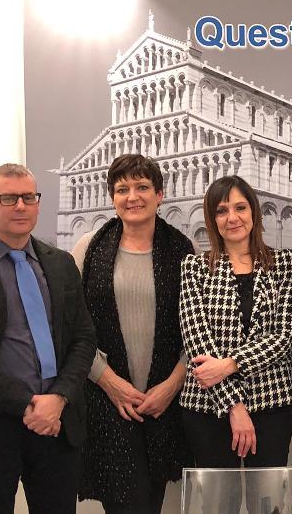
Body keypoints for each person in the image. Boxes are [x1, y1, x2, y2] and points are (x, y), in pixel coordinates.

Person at [0, 163, 96, 514]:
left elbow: (83, 338)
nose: (20, 206)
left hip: (57, 423)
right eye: (8, 198)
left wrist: (59, 397)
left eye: (28, 197)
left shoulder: (60, 263)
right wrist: (27, 403)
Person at [72, 155, 193, 513]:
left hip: (163, 403)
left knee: (151, 502)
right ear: (112, 197)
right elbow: (70, 325)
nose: (133, 197)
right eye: (122, 189)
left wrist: (171, 386)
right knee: (125, 503)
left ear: (159, 194)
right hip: (106, 400)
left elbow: (198, 329)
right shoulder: (89, 247)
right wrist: (109, 381)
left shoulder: (183, 250)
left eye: (142, 187)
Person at [178, 175, 292, 472]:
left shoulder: (282, 263)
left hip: (271, 400)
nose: (232, 218)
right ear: (212, 219)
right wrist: (234, 405)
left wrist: (230, 364)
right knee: (218, 496)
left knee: (268, 495)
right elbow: (196, 339)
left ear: (254, 212)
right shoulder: (194, 267)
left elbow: (283, 336)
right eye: (222, 211)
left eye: (240, 208)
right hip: (208, 404)